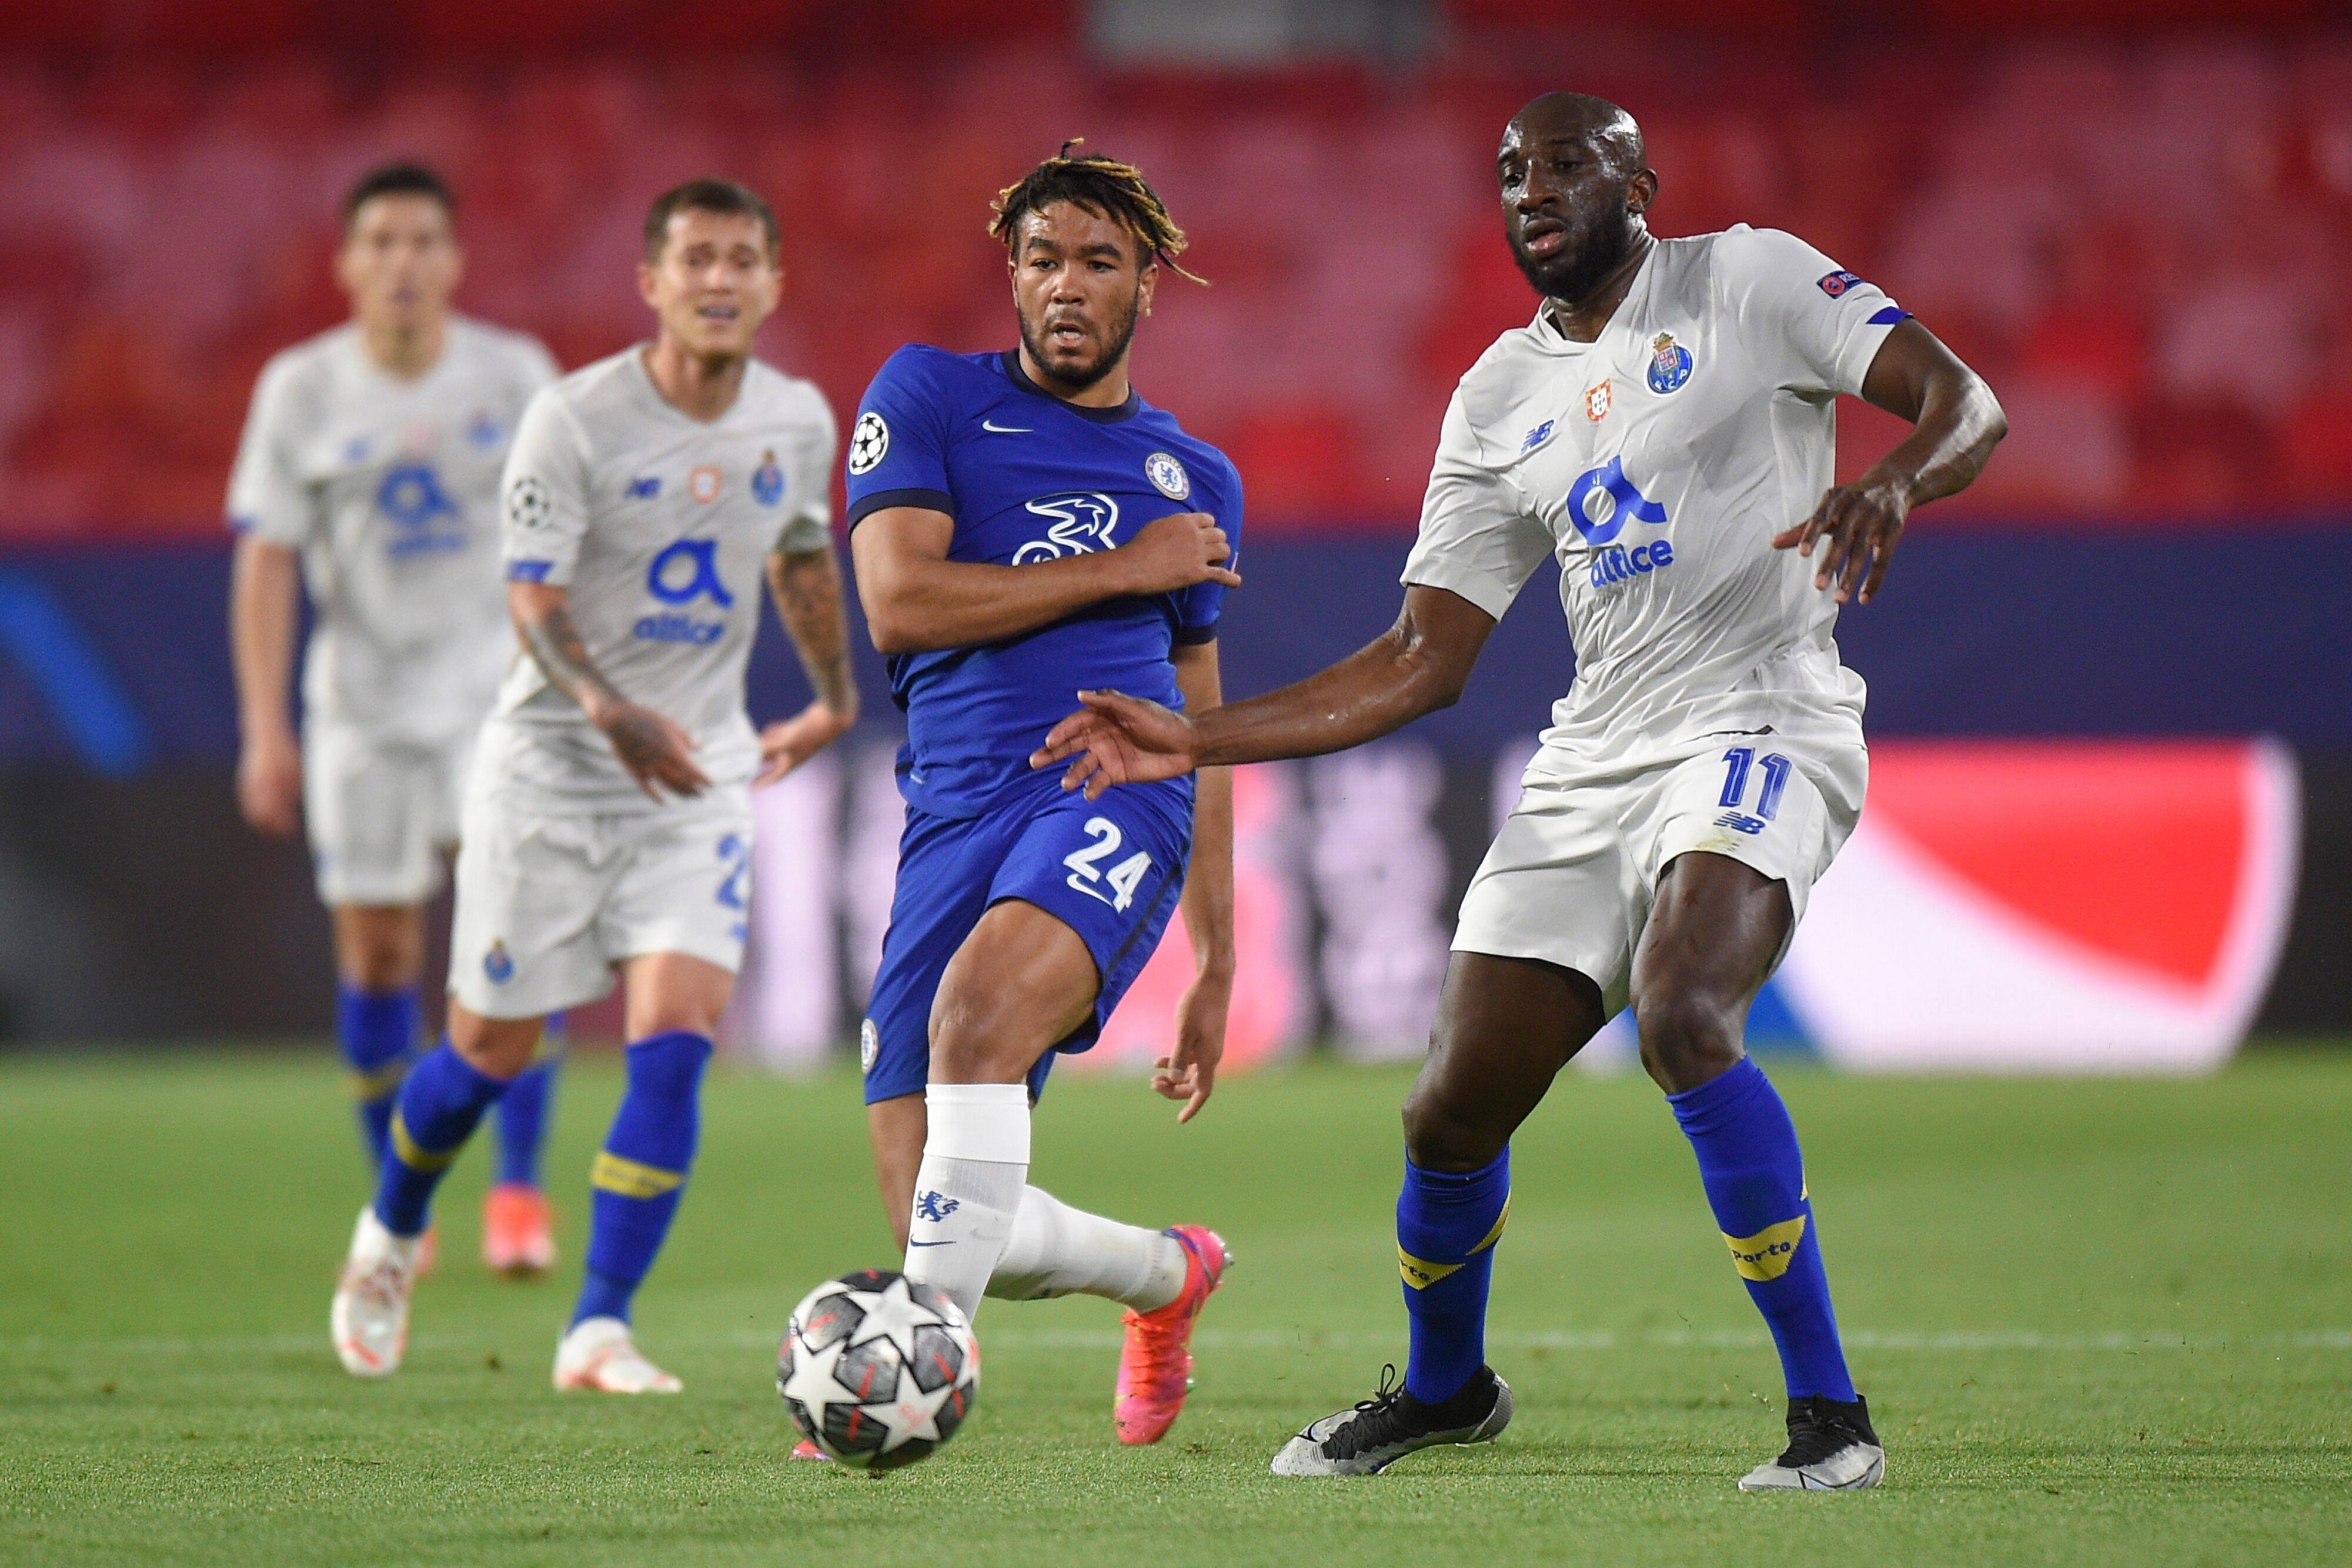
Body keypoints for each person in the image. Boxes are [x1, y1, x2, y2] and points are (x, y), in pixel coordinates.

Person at [1031, 93, 2007, 1487]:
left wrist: (1895, 483)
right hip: (1591, 758)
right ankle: (1447, 1389)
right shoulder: (1495, 396)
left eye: (1563, 165)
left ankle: (1829, 1414)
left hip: (1761, 715)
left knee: (1683, 1013)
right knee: (1447, 1109)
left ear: (1637, 184)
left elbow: (1966, 403)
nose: (1531, 190)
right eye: (1508, 173)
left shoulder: (1749, 279)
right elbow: (1418, 660)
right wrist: (1195, 736)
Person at [328, 178, 859, 1392]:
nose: (719, 280)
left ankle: (598, 1328)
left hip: (695, 772)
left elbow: (797, 553)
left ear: (774, 284)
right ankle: (392, 1229)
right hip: (553, 771)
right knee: (486, 1051)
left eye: (742, 260)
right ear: (651, 283)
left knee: (673, 1041)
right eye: (696, 259)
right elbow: (532, 596)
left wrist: (833, 692)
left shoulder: (793, 420)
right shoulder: (573, 419)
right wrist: (608, 710)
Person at [843, 148, 1241, 1445]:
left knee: (972, 1023)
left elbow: (1201, 725)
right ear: (1011, 275)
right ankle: (1166, 1275)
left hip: (1108, 793)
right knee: (949, 1214)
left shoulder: (1193, 479)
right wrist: (1126, 566)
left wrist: (1218, 959)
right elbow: (899, 601)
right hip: (951, 814)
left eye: (1097, 261)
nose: (1066, 285)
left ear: (1145, 285)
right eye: (1041, 259)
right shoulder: (928, 396)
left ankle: (903, 1383)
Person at [228, 162, 566, 1276]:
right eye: (381, 241)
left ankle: (518, 1191)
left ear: (454, 260)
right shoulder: (302, 389)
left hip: (493, 697)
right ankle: (400, 1209)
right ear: (347, 264)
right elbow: (267, 559)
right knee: (380, 958)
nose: (403, 261)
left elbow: (571, 532)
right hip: (361, 712)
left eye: (423, 240)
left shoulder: (512, 373)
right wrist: (266, 729)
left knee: (514, 940)